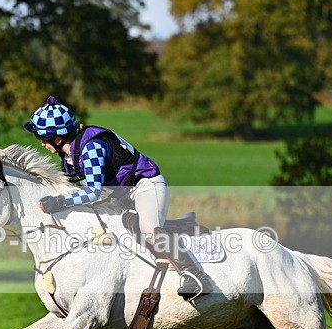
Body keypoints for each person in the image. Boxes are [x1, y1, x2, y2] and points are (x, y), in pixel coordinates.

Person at [24, 95, 213, 301]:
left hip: (145, 185)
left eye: (43, 139)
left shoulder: (91, 148)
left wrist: (61, 202)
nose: (42, 144)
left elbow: (93, 192)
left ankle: (195, 277)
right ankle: (177, 227)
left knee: (148, 230)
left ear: (58, 139)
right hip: (121, 195)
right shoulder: (69, 156)